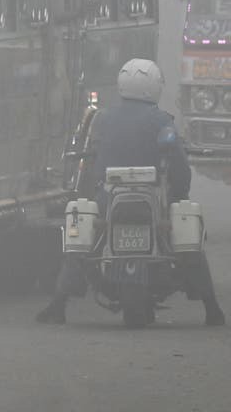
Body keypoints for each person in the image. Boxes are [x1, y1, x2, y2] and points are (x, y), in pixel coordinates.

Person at [37, 58, 225, 325]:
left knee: (80, 235)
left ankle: (58, 305)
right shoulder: (162, 121)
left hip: (108, 197)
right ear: (154, 87)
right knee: (188, 224)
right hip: (152, 199)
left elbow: (90, 162)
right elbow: (179, 166)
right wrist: (179, 195)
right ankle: (212, 309)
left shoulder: (103, 119)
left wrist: (92, 187)